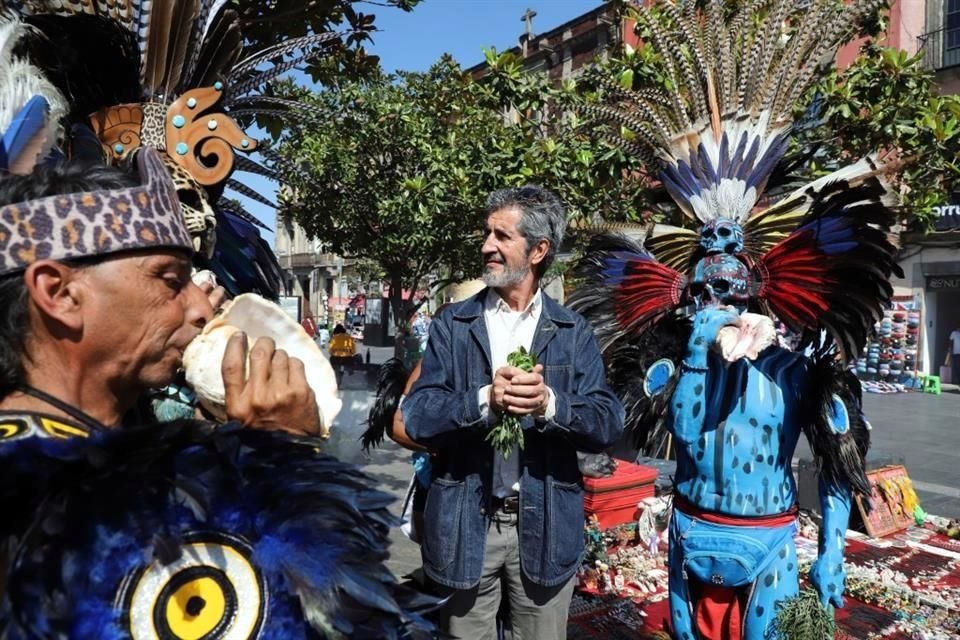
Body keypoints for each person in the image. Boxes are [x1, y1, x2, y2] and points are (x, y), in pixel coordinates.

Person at [0, 151, 436, 637]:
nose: (202, 307)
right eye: (170, 280)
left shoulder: (94, 454)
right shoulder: (44, 497)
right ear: (60, 294)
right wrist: (280, 456)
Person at [401, 185, 625, 640]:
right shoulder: (453, 325)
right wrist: (483, 400)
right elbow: (417, 415)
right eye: (487, 234)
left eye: (502, 236)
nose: (487, 246)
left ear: (538, 250)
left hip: (546, 526)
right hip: (465, 523)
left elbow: (607, 421)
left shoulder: (572, 330)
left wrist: (549, 405)